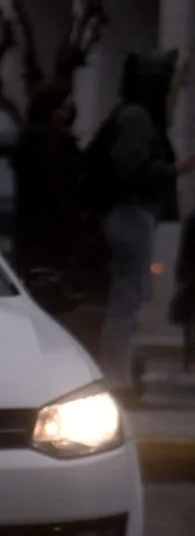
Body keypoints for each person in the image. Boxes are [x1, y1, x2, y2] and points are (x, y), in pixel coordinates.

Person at [83, 51, 181, 393]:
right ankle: (118, 378)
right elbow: (131, 168)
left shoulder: (130, 115)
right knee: (125, 299)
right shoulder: (138, 118)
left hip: (128, 213)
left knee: (127, 296)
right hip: (130, 212)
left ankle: (120, 373)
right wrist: (175, 170)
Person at [11, 82, 106, 347]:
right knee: (53, 303)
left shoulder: (30, 141)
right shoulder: (51, 145)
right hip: (52, 238)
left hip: (35, 236)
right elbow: (60, 192)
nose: (69, 114)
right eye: (64, 108)